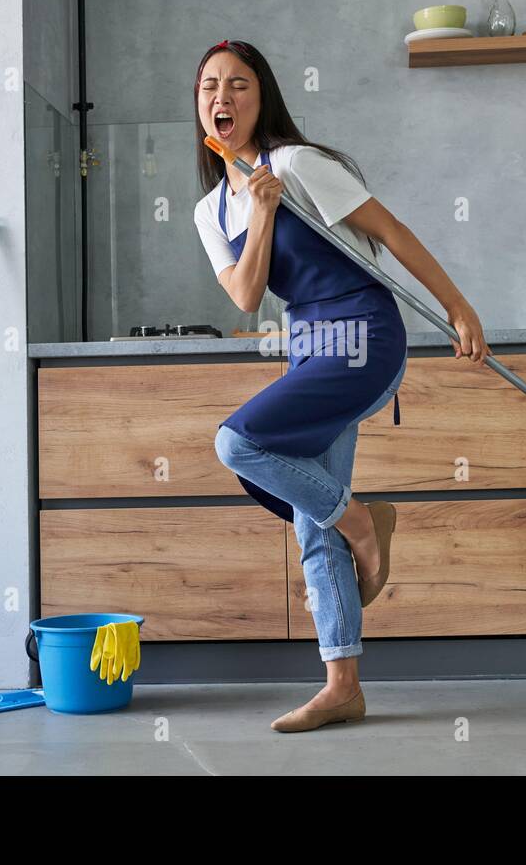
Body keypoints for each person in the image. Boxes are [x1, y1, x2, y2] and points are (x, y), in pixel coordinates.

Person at [192, 39, 488, 731]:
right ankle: (343, 684)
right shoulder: (215, 211)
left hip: (363, 334)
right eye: (210, 86)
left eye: (239, 85)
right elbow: (245, 294)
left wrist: (457, 306)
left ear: (261, 98)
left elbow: (392, 231)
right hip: (309, 348)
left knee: (236, 443)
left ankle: (363, 519)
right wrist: (260, 212)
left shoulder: (298, 165)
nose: (222, 98)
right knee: (310, 512)